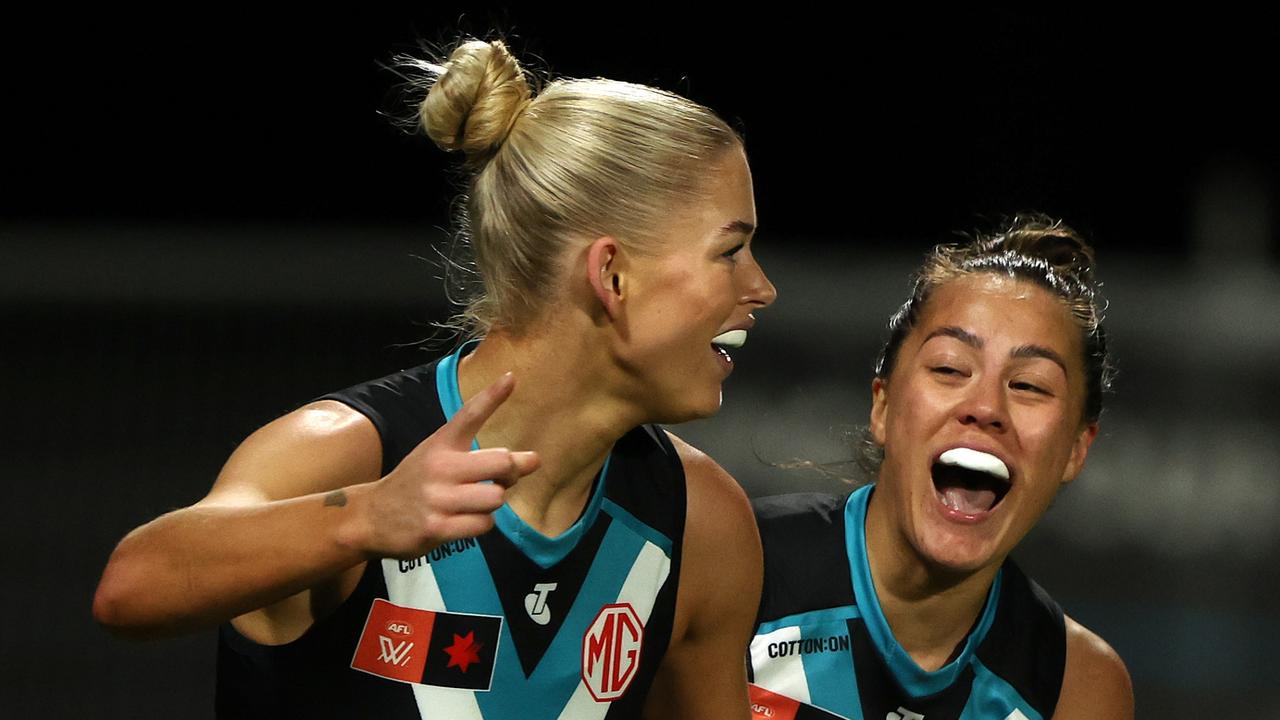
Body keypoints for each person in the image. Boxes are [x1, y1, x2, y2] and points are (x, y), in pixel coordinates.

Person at [93, 38, 776, 719]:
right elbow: (130, 587)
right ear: (612, 275)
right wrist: (364, 516)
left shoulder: (701, 523)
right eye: (731, 251)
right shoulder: (350, 452)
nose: (762, 288)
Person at [747, 216, 1133, 720]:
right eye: (950, 369)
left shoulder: (1077, 690)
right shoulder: (737, 567)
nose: (986, 406)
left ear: (1078, 449)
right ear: (882, 407)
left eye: (1030, 385)